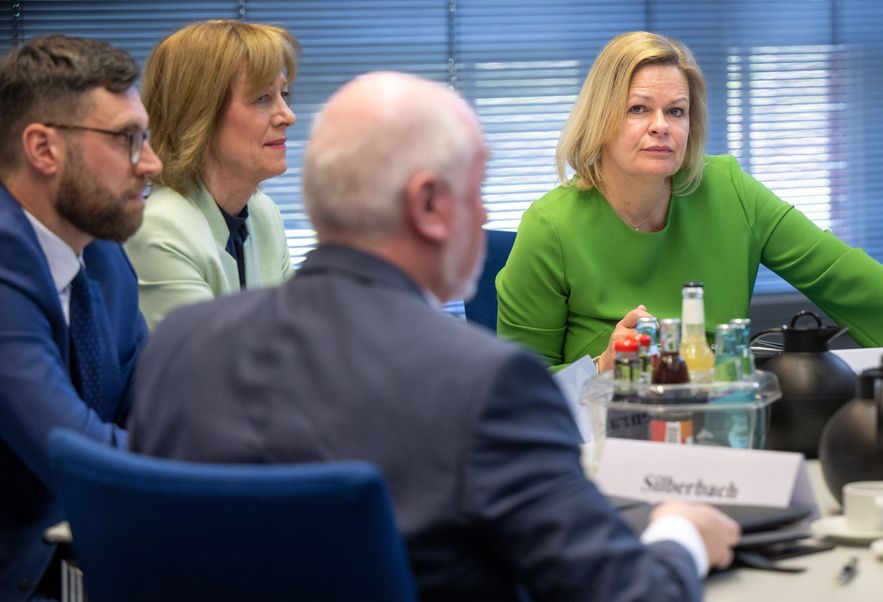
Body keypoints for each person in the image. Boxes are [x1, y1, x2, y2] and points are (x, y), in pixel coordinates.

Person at [129, 71, 740, 601]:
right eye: (475, 190)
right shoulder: (486, 384)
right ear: (428, 205)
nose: (481, 215)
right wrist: (682, 531)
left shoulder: (182, 345)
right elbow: (626, 594)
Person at [496, 31, 883, 373]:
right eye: (637, 109)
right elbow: (518, 389)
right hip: (606, 438)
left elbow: (843, 274)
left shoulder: (728, 189)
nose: (661, 126)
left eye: (676, 110)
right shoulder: (551, 226)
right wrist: (605, 367)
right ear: (600, 117)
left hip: (723, 423)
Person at [0, 35, 159, 600]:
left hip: (77, 563)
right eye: (127, 140)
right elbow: (75, 452)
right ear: (44, 149)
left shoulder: (104, 255)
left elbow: (154, 406)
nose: (152, 163)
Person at [123, 20, 297, 329]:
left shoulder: (262, 213)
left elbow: (299, 339)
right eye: (262, 98)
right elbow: (207, 374)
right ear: (199, 113)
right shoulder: (158, 231)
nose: (288, 116)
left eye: (284, 94)